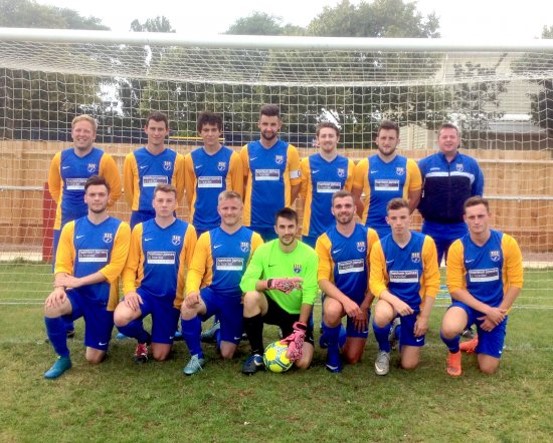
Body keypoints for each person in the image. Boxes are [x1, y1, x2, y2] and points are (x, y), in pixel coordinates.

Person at [42, 175, 130, 379]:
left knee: (93, 358)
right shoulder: (71, 228)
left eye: (101, 194)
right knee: (52, 305)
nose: (97, 198)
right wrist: (59, 288)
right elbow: (62, 264)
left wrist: (79, 281)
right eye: (92, 194)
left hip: (103, 300)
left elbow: (114, 268)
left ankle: (99, 336)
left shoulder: (121, 228)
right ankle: (62, 357)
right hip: (77, 296)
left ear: (109, 198)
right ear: (85, 198)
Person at [48, 114, 122, 336]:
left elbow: (115, 190)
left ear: (94, 134)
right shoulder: (60, 158)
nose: (82, 134)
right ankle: (65, 322)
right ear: (72, 133)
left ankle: (102, 312)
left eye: (86, 131)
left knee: (96, 267)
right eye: (78, 130)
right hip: (65, 224)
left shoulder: (103, 159)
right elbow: (54, 189)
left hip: (95, 225)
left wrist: (96, 210)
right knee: (61, 270)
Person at [180, 191, 263, 375]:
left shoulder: (254, 238)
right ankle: (196, 355)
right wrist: (192, 290)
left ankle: (220, 329)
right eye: (225, 208)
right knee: (188, 307)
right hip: (213, 294)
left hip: (236, 299)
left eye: (234, 208)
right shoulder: (207, 237)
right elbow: (195, 270)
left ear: (242, 209)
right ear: (219, 210)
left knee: (227, 353)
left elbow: (260, 271)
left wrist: (248, 290)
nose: (229, 212)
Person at [440, 196, 523, 377]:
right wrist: (486, 309)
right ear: (465, 219)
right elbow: (455, 288)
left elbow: (516, 283)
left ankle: (477, 343)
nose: (476, 221)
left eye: (480, 216)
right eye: (472, 217)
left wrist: (497, 314)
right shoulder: (458, 247)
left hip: (497, 309)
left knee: (488, 368)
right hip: (467, 306)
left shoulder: (507, 243)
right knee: (449, 328)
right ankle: (454, 352)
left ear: (489, 216)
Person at [114, 184, 196, 363]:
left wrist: (190, 292)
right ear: (153, 203)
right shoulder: (140, 230)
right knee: (121, 317)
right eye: (160, 200)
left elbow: (194, 268)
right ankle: (143, 338)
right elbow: (129, 268)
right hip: (145, 293)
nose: (164, 204)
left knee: (160, 356)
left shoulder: (187, 230)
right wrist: (129, 291)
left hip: (171, 299)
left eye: (169, 201)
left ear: (176, 204)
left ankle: (164, 333)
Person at [239, 208, 319, 374]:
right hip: (272, 307)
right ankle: (257, 355)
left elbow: (310, 294)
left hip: (296, 314)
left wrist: (300, 329)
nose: (287, 232)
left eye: (291, 227)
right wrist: (272, 283)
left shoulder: (310, 254)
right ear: (276, 229)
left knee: (302, 363)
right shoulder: (264, 250)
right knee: (251, 297)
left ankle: (289, 333)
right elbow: (245, 283)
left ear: (298, 228)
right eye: (282, 227)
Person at [369, 198, 440, 376]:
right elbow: (375, 283)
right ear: (387, 220)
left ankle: (399, 330)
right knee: (381, 314)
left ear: (410, 218)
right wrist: (396, 302)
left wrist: (424, 317)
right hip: (392, 303)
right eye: (394, 218)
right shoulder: (380, 246)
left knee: (409, 364)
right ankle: (384, 350)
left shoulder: (426, 243)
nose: (398, 223)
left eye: (402, 217)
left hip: (416, 306)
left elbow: (432, 283)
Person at [316, 191, 379, 373]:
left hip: (362, 302)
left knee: (352, 358)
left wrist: (365, 306)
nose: (343, 210)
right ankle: (332, 350)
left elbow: (376, 276)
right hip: (338, 299)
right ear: (332, 210)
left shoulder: (369, 235)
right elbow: (322, 280)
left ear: (354, 208)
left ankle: (332, 333)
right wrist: (347, 302)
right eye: (339, 206)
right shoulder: (324, 240)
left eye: (347, 206)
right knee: (332, 310)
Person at [417, 123, 485, 266]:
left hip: (460, 227)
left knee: (460, 270)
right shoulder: (424, 165)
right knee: (427, 270)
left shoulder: (471, 165)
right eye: (445, 137)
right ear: (438, 141)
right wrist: (425, 209)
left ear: (458, 140)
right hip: (431, 226)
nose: (448, 140)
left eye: (452, 137)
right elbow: (416, 193)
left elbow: (476, 196)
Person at [240, 104, 301, 241]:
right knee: (253, 261)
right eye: (265, 124)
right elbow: (243, 183)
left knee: (278, 262)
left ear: (279, 125)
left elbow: (296, 185)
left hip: (280, 221)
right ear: (258, 124)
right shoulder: (247, 151)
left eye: (273, 124)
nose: (269, 128)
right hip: (252, 220)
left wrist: (284, 203)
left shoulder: (290, 151)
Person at [352, 120, 421, 238]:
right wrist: (366, 215)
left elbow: (415, 199)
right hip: (370, 229)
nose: (386, 142)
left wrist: (400, 218)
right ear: (377, 140)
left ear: (398, 141)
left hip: (397, 231)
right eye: (383, 138)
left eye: (391, 138)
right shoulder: (364, 165)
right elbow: (354, 197)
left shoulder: (410, 165)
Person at [184, 111, 243, 236]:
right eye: (206, 130)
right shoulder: (190, 159)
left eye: (213, 130)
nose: (210, 134)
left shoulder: (233, 157)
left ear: (220, 131)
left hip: (225, 222)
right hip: (198, 222)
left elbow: (238, 193)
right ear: (200, 132)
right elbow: (190, 194)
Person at [123, 111, 185, 229]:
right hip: (141, 214)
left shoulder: (178, 159)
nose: (156, 133)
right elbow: (128, 191)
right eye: (153, 128)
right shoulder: (132, 158)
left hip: (168, 215)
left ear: (167, 131)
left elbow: (179, 191)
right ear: (145, 129)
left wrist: (166, 205)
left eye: (160, 129)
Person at [300, 122, 355, 247]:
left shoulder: (348, 165)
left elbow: (349, 195)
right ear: (318, 139)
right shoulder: (306, 163)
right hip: (312, 231)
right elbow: (304, 196)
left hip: (339, 230)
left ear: (338, 138)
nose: (327, 139)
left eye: (331, 136)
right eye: (323, 136)